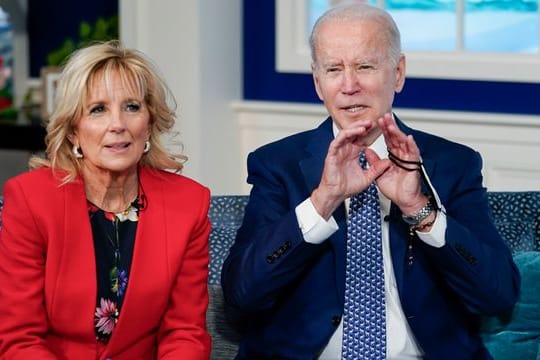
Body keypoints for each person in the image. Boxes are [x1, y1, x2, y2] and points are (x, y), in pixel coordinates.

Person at [221, 4, 520, 359]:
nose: (349, 86)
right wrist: (322, 203)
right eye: (334, 69)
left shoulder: (452, 164)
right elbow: (242, 294)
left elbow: (497, 295)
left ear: (397, 73)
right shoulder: (277, 165)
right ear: (318, 82)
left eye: (365, 66)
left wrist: (419, 209)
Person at [0, 41, 211, 359]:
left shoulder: (189, 204)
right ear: (73, 130)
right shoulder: (31, 200)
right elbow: (20, 339)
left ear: (149, 123)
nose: (118, 125)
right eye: (98, 109)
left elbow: (184, 333)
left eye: (132, 107)